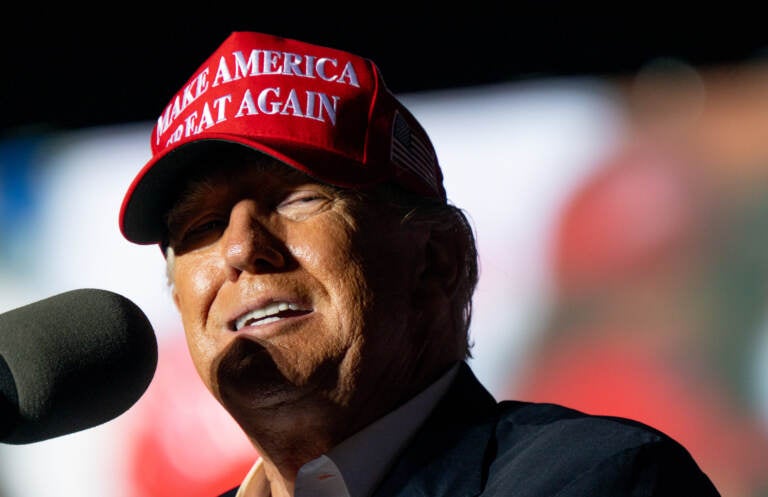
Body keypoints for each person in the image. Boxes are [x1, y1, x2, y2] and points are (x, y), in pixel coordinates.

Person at [118, 31, 722, 497]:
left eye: (298, 199)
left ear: (437, 261)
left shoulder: (596, 479)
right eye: (201, 226)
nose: (241, 248)